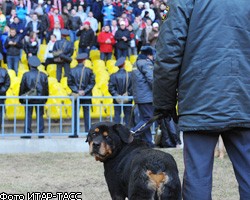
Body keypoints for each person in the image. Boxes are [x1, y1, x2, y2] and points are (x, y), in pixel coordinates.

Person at [153, 0, 250, 199]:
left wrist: (164, 103)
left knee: (197, 179)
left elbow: (169, 53)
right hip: (242, 99)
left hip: (200, 100)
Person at [130, 46, 155, 146]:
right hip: (147, 97)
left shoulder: (136, 63)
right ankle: (131, 134)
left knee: (144, 119)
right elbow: (152, 79)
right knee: (148, 119)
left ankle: (148, 143)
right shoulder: (146, 63)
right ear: (149, 55)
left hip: (139, 97)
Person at [19, 56, 49, 139]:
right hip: (40, 99)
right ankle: (40, 132)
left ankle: (27, 132)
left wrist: (21, 99)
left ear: (29, 64)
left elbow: (22, 88)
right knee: (40, 115)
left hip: (29, 99)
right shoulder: (43, 75)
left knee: (28, 115)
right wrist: (45, 99)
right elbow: (46, 89)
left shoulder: (26, 75)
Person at [67, 53, 95, 138]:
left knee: (75, 114)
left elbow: (69, 83)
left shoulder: (72, 70)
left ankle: (74, 132)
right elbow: (92, 83)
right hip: (86, 95)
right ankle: (88, 133)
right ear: (84, 61)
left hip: (76, 95)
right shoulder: (89, 70)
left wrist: (77, 91)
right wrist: (84, 91)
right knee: (87, 115)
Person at [108, 57, 133, 126]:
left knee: (117, 116)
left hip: (117, 100)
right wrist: (128, 94)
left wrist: (116, 95)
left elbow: (110, 88)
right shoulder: (130, 75)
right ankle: (127, 133)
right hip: (128, 99)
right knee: (128, 116)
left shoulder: (113, 75)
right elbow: (133, 87)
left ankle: (116, 133)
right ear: (124, 64)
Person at [0, 53, 10, 130]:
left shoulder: (4, 71)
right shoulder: (4, 71)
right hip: (2, 94)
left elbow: (7, 83)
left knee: (0, 112)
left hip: (1, 95)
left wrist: (1, 90)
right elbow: (7, 83)